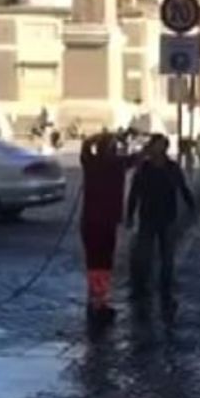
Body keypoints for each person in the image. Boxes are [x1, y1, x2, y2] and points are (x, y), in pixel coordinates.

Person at [127, 134, 196, 303]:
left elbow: (182, 187)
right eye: (153, 146)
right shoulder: (143, 168)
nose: (155, 149)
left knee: (167, 255)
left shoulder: (172, 168)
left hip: (167, 217)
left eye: (158, 146)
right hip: (147, 216)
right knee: (144, 254)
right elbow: (134, 193)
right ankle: (142, 287)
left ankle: (165, 287)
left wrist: (191, 206)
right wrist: (129, 214)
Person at [80, 133, 137, 323]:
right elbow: (138, 157)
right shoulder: (117, 164)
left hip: (90, 221)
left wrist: (98, 137)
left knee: (94, 263)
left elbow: (86, 145)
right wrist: (121, 138)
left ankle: (95, 300)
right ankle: (99, 302)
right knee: (103, 264)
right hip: (106, 221)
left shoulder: (91, 163)